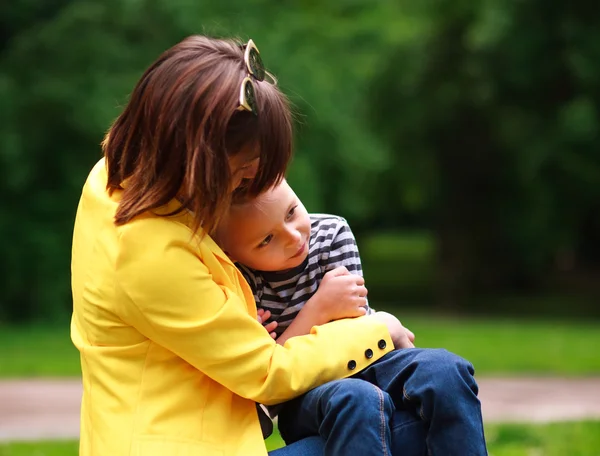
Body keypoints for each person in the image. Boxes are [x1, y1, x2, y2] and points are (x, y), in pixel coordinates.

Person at [70, 35, 416, 456]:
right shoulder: (148, 251)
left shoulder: (113, 177)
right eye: (242, 171)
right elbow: (267, 372)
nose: (246, 184)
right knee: (411, 434)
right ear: (196, 157)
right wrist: (380, 328)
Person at [215, 179, 489, 455]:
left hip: (370, 361)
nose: (294, 237)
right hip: (305, 395)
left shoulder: (330, 233)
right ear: (232, 254)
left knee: (444, 369)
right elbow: (270, 377)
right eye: (266, 240)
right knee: (355, 397)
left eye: (291, 213)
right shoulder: (239, 281)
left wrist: (289, 336)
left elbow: (355, 328)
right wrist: (319, 308)